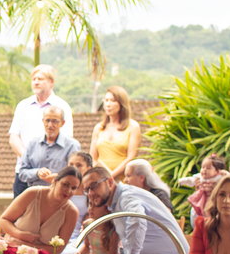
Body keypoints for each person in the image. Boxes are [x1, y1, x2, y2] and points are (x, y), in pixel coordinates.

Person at [9, 64, 74, 192]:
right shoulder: (23, 106)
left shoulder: (62, 106)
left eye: (40, 79)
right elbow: (14, 137)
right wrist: (30, 160)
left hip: (53, 175)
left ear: (51, 82)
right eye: (34, 79)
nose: (36, 82)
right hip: (25, 173)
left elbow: (67, 140)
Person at [13, 105, 81, 196]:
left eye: (55, 121)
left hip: (61, 197)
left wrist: (59, 178)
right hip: (35, 196)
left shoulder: (72, 146)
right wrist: (37, 173)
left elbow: (77, 174)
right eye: (47, 120)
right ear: (43, 121)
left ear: (62, 123)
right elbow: (22, 173)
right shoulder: (32, 144)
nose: (50, 125)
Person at [89, 85, 141, 182]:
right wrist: (100, 177)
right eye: (106, 100)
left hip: (123, 180)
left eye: (113, 101)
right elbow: (93, 158)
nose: (108, 104)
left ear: (121, 103)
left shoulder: (133, 127)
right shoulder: (99, 127)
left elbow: (131, 157)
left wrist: (111, 176)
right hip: (101, 181)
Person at [176, 153, 227, 221]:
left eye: (208, 168)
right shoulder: (200, 177)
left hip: (212, 201)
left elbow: (229, 179)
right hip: (200, 199)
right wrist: (182, 181)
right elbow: (191, 180)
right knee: (196, 212)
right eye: (203, 167)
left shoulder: (218, 178)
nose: (204, 170)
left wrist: (224, 173)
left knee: (210, 214)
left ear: (218, 171)